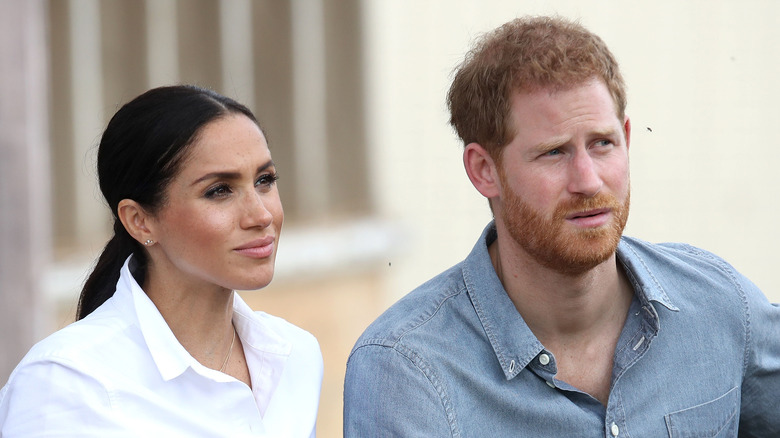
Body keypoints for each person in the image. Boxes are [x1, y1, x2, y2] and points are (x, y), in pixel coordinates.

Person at [344, 16, 780, 437]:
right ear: (483, 170)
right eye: (554, 153)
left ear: (627, 138)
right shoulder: (406, 370)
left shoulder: (720, 305)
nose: (588, 180)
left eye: (602, 144)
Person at [0, 85, 323, 437]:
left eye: (265, 180)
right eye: (219, 190)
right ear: (139, 220)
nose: (261, 215)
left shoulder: (295, 356)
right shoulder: (68, 382)